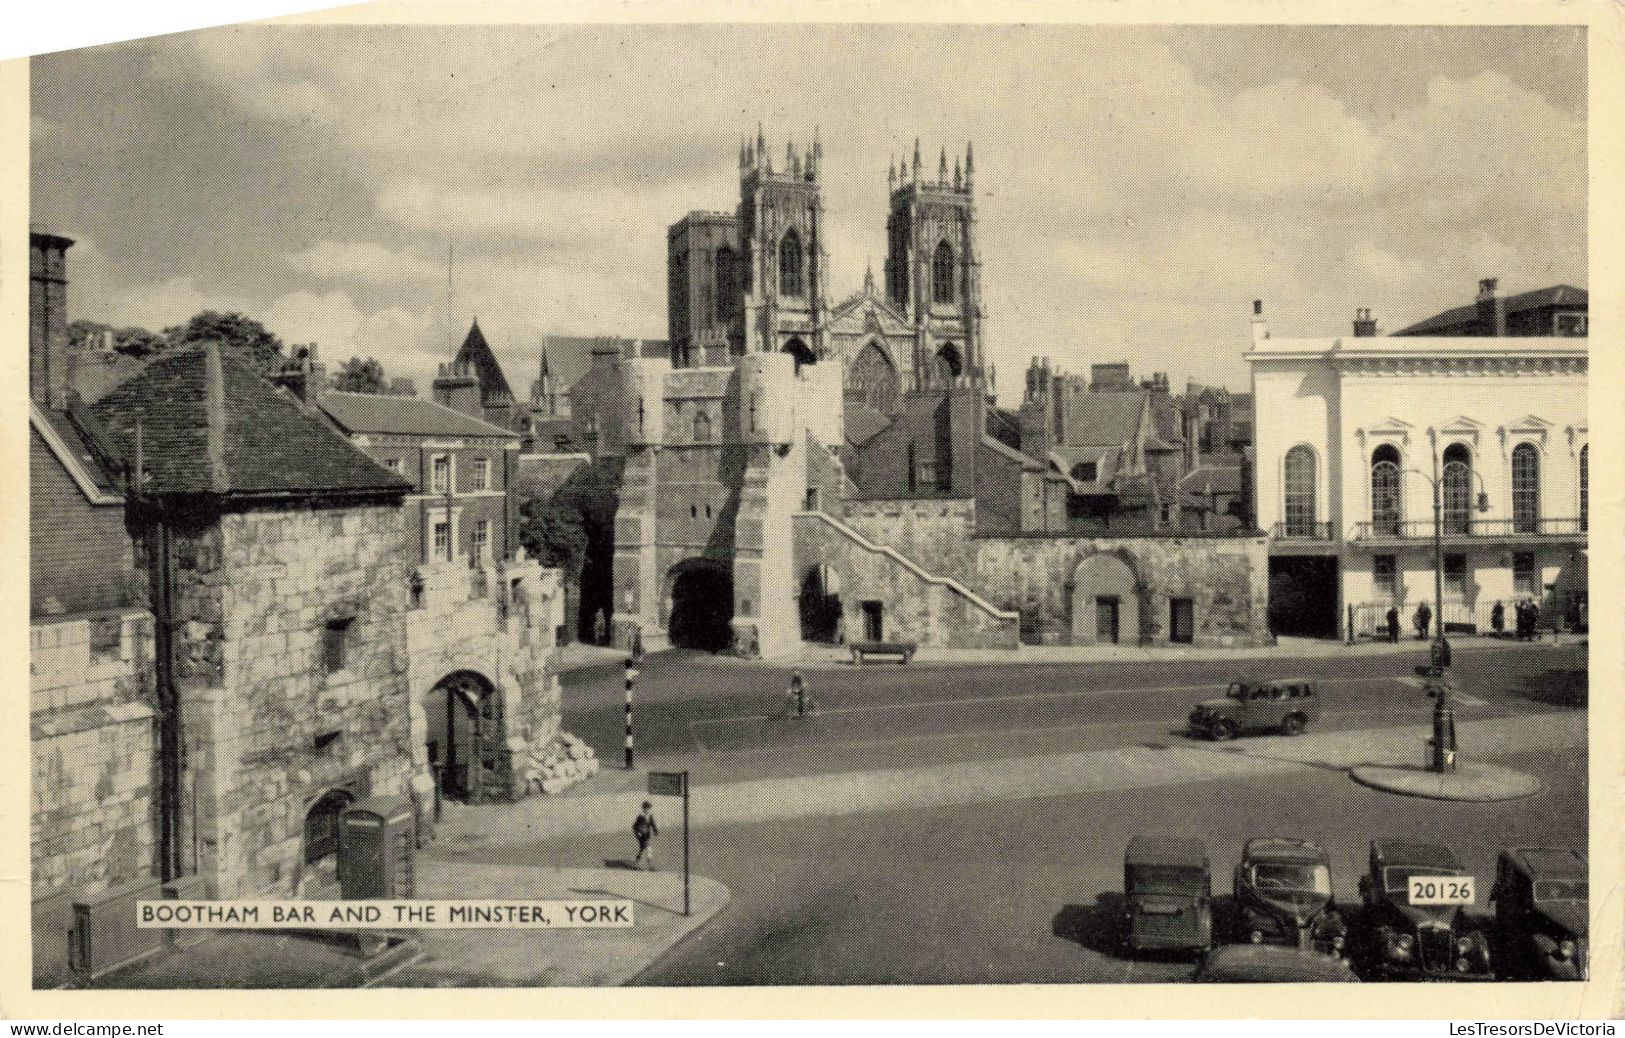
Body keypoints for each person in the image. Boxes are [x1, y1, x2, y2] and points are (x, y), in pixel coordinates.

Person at [633, 801, 659, 870]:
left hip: (647, 835)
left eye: (649, 808)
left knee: (642, 849)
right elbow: (634, 826)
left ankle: (636, 864)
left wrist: (655, 830)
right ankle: (649, 866)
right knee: (648, 848)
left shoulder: (650, 816)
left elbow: (652, 824)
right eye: (646, 808)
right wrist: (638, 833)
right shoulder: (640, 816)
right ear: (643, 808)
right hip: (641, 835)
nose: (648, 809)